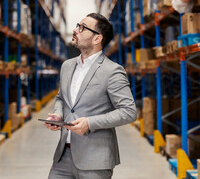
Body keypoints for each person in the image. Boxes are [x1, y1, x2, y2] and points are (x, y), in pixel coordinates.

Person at [44, 13, 137, 179]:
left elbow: (129, 111)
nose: (75, 30)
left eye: (82, 28)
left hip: (96, 159)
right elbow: (61, 98)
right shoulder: (67, 66)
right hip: (63, 157)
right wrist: (58, 114)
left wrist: (90, 123)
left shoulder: (112, 71)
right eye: (77, 25)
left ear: (97, 39)